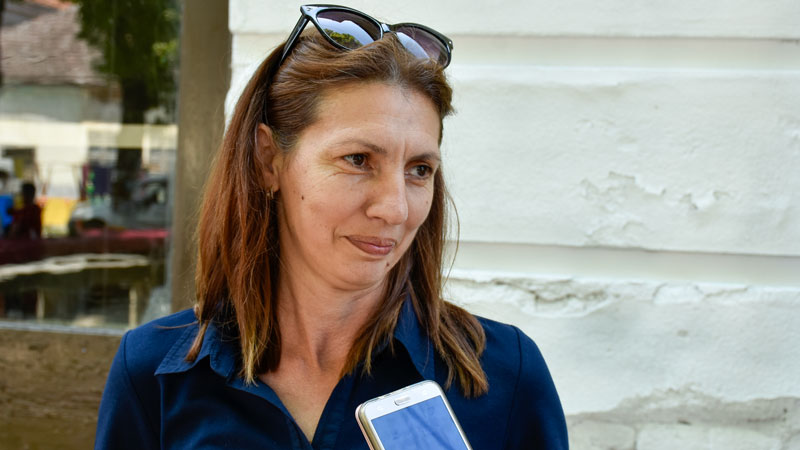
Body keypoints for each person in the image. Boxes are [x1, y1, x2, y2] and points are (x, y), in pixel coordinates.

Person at [95, 5, 568, 449]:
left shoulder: (504, 375)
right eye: (358, 159)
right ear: (268, 160)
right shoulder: (152, 374)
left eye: (419, 170)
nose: (395, 209)